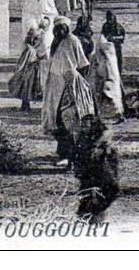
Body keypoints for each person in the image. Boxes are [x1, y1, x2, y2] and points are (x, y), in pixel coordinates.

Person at [41, 17, 91, 167]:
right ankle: (63, 152)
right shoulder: (55, 42)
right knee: (55, 118)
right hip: (55, 84)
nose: (59, 31)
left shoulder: (73, 40)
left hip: (70, 82)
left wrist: (80, 84)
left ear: (67, 28)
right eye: (57, 28)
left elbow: (83, 63)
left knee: (70, 119)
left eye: (62, 28)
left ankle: (73, 157)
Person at [72, 115, 120, 223]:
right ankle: (85, 218)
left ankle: (94, 216)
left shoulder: (104, 142)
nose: (84, 128)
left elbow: (111, 166)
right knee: (86, 197)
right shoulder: (83, 138)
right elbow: (77, 155)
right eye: (83, 126)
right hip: (88, 173)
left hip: (103, 175)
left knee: (105, 194)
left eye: (86, 126)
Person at [9, 23, 47, 110]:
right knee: (26, 87)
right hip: (28, 69)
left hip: (37, 69)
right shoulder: (28, 47)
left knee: (36, 88)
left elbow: (43, 56)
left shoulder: (41, 44)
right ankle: (25, 105)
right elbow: (23, 58)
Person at [91, 41, 124, 122]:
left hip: (107, 82)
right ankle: (118, 114)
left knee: (108, 99)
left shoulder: (105, 61)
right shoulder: (112, 58)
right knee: (115, 100)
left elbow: (101, 72)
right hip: (112, 82)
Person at [100, 11, 126, 78]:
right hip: (108, 48)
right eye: (108, 19)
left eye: (111, 19)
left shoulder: (118, 26)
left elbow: (122, 36)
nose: (109, 21)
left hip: (116, 48)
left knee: (118, 63)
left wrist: (114, 38)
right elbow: (102, 35)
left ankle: (118, 76)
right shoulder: (105, 26)